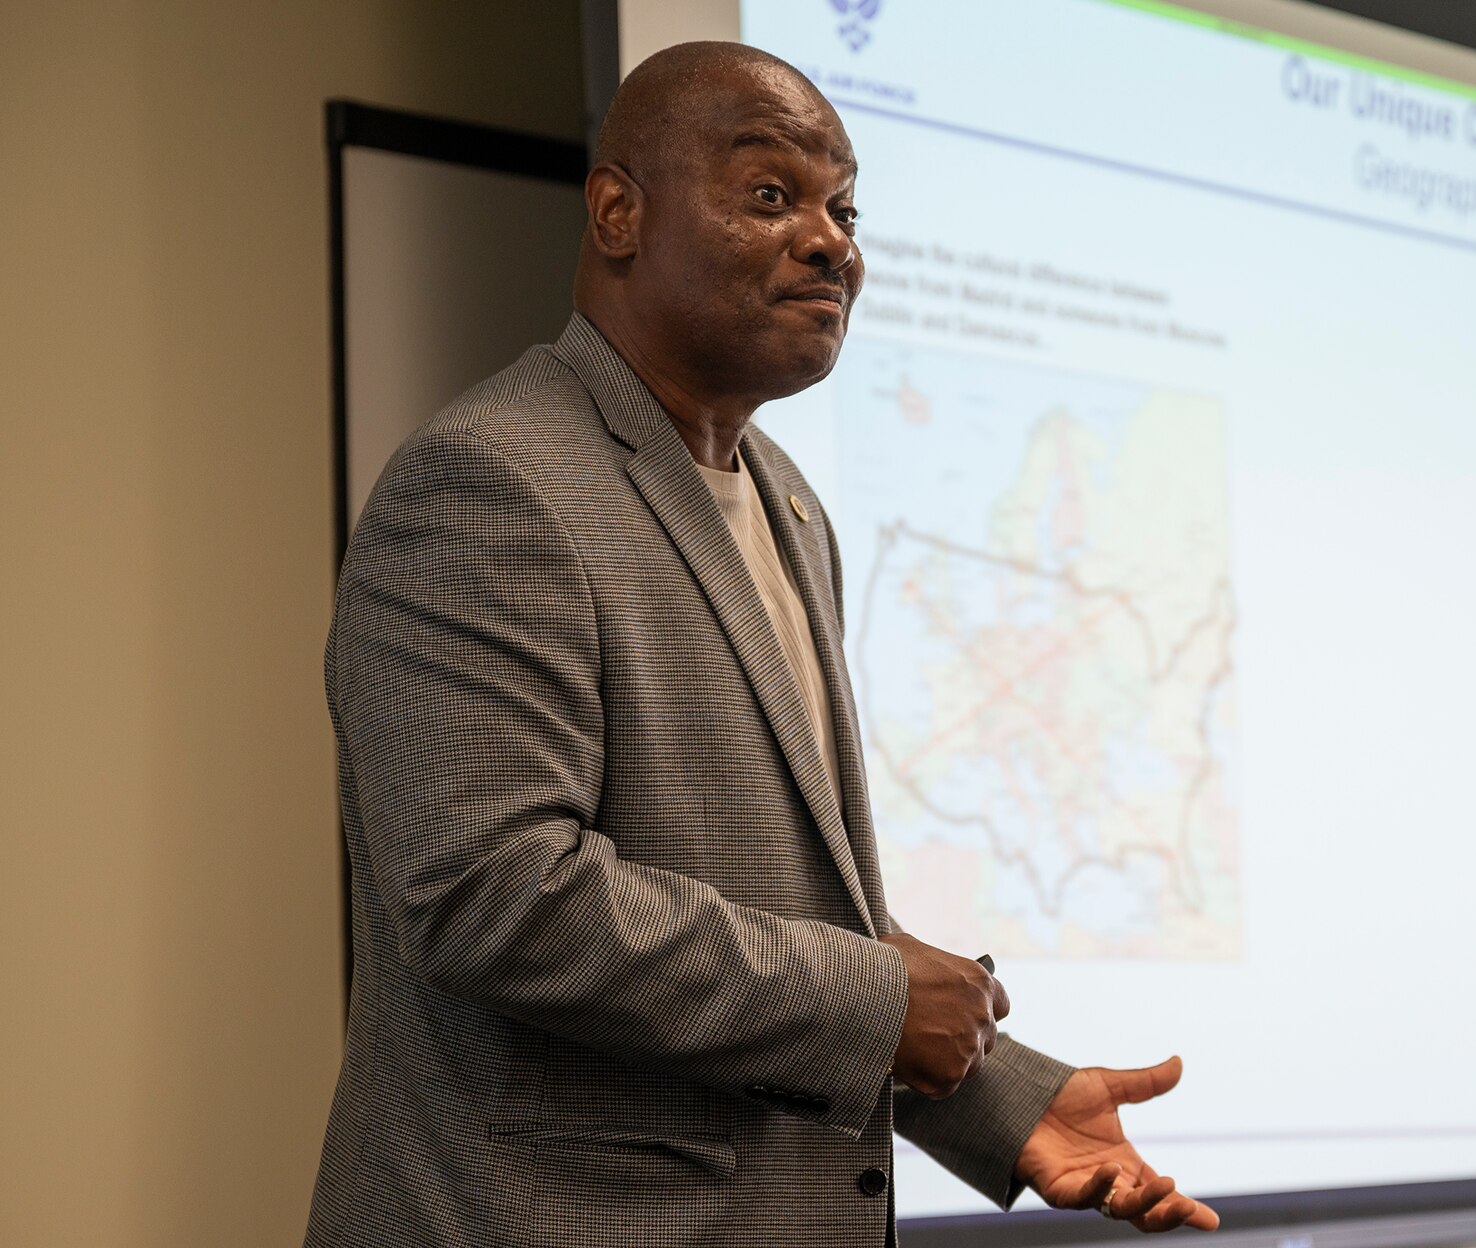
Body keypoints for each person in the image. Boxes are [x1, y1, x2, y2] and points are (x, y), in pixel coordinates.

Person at [304, 40, 1220, 1247]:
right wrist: (875, 1001)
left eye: (844, 208)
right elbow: (494, 895)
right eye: (771, 195)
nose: (832, 240)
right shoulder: (493, 480)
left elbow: (783, 914)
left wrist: (1004, 1100)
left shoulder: (786, 502)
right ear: (619, 213)